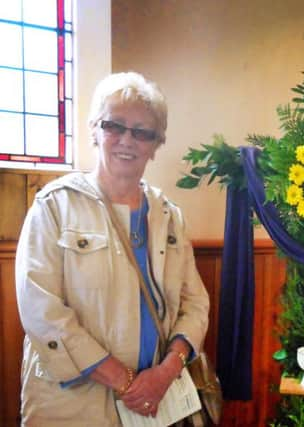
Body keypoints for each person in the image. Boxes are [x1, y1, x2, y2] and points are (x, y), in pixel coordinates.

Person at [15, 71, 210, 426]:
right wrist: (127, 383)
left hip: (156, 400)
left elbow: (195, 303)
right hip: (73, 402)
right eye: (114, 126)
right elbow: (40, 310)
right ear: (94, 130)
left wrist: (166, 372)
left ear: (156, 144)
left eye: (142, 132)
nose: (127, 140)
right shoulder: (55, 206)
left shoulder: (169, 217)